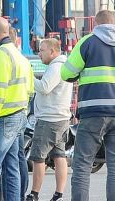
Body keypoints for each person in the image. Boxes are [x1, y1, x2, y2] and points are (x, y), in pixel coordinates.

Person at [61, 10, 115, 201]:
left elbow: (66, 74)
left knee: (82, 164)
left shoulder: (87, 42)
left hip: (93, 113)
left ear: (95, 26)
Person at [0, 16, 34, 201]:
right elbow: (30, 89)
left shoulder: (0, 56)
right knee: (11, 166)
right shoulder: (19, 55)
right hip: (19, 115)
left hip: (2, 118)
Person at [26, 37, 73, 201]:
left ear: (53, 51)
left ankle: (34, 194)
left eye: (42, 50)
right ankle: (59, 194)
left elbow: (45, 87)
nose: (39, 54)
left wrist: (28, 78)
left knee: (38, 157)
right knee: (59, 155)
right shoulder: (64, 66)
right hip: (61, 119)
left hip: (49, 120)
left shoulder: (56, 67)